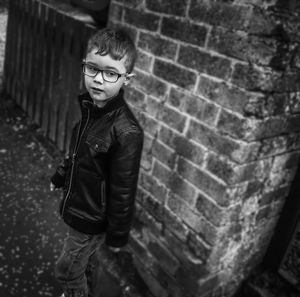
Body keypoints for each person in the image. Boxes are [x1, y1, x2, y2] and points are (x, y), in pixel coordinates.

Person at [50, 27, 144, 297]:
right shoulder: (91, 110)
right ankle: (87, 289)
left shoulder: (127, 131)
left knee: (67, 269)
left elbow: (124, 189)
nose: (99, 80)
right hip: (79, 204)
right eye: (92, 68)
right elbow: (76, 156)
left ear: (127, 79)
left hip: (90, 218)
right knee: (86, 262)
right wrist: (59, 176)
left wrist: (117, 235)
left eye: (111, 73)